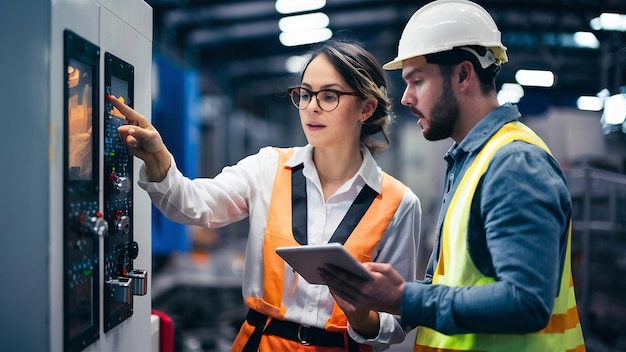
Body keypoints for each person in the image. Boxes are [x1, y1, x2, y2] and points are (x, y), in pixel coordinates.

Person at [108, 39, 422, 351]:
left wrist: (363, 318)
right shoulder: (268, 167)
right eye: (305, 94)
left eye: (329, 96)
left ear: (366, 108)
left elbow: (398, 318)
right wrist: (157, 156)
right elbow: (194, 205)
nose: (311, 106)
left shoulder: (398, 203)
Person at [318, 1, 586, 351]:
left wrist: (404, 298)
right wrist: (369, 311)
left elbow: (526, 303)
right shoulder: (470, 161)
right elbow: (452, 284)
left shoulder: (514, 163)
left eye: (417, 81)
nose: (407, 98)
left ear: (462, 75)